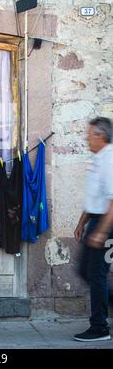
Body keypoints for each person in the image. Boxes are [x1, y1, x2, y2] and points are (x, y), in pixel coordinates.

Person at [73, 117, 113, 342]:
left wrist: (101, 231)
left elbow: (112, 200)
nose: (86, 138)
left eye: (89, 135)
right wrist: (81, 223)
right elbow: (93, 196)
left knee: (96, 274)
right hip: (95, 219)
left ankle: (99, 327)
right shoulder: (97, 159)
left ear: (101, 136)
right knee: (85, 272)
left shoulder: (109, 160)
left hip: (106, 222)